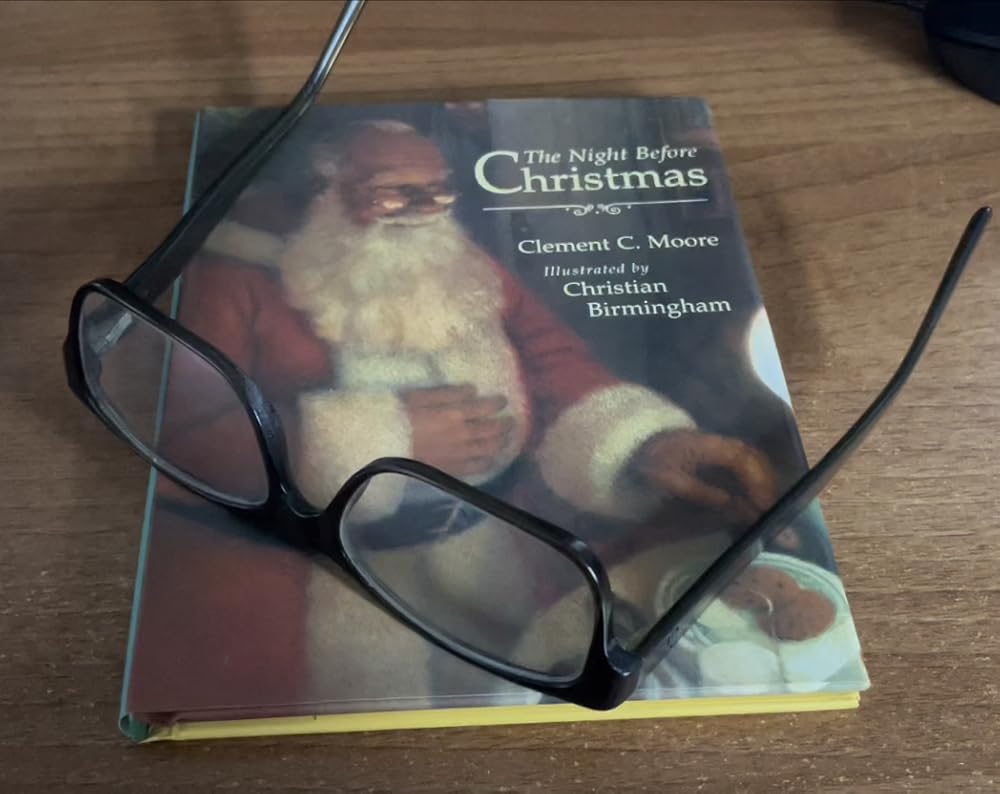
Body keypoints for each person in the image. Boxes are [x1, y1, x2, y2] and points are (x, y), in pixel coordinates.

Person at [148, 120, 780, 704]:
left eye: (438, 191)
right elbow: (183, 448)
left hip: (495, 555)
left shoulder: (466, 267)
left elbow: (554, 364)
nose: (425, 210)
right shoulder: (230, 283)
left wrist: (649, 445)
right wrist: (380, 440)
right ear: (325, 189)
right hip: (327, 583)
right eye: (395, 192)